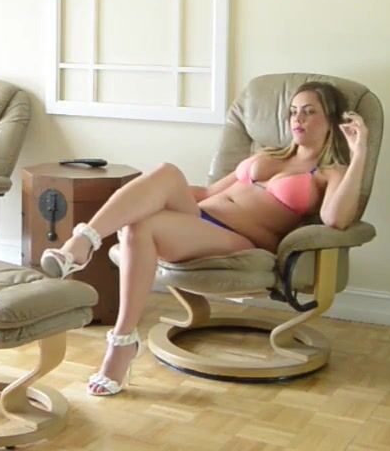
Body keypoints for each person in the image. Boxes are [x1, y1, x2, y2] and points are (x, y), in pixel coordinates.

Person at [40, 81, 370, 396]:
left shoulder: (331, 172)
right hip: (201, 217)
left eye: (309, 112)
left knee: (141, 227)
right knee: (166, 174)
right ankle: (81, 243)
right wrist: (155, 195)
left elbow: (335, 219)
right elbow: (210, 193)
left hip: (237, 237)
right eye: (293, 111)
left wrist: (360, 153)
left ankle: (120, 342)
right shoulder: (270, 153)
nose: (298, 119)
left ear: (332, 120)